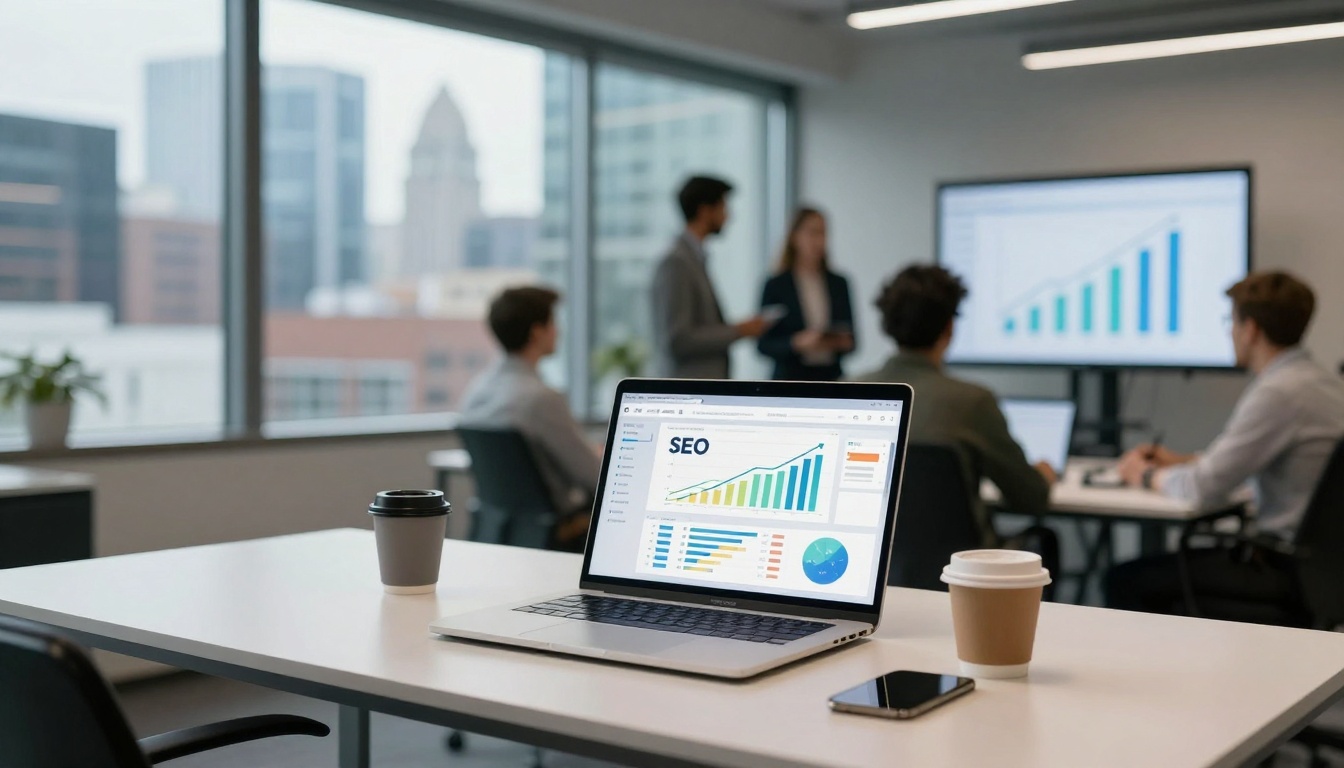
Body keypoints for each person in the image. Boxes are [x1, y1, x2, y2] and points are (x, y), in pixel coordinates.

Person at [1106, 271, 1344, 616]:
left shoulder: (1279, 393)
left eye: (1231, 322)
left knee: (1124, 580)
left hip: (1284, 569)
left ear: (1251, 330)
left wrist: (1142, 474)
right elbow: (1249, 462)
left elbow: (1202, 488)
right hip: (1322, 572)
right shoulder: (1319, 382)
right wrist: (1182, 461)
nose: (1230, 332)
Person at [851, 265, 1056, 544]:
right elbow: (1030, 498)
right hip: (960, 567)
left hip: (875, 563)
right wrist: (1043, 475)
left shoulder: (849, 392)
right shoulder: (972, 403)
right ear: (949, 327)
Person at [458, 286, 598, 548]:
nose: (558, 331)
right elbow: (594, 478)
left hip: (499, 531)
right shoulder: (541, 399)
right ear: (537, 332)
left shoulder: (475, 392)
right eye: (553, 323)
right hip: (560, 533)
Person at [650, 175, 768, 379]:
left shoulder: (694, 258)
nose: (728, 216)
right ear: (705, 211)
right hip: (688, 388)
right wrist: (738, 331)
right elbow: (678, 340)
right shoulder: (676, 262)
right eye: (723, 207)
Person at [757, 207, 856, 381]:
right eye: (812, 233)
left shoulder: (839, 283)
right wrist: (796, 343)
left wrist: (838, 341)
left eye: (822, 233)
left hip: (831, 378)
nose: (818, 240)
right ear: (795, 236)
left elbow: (853, 339)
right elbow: (764, 345)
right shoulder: (776, 285)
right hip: (790, 380)